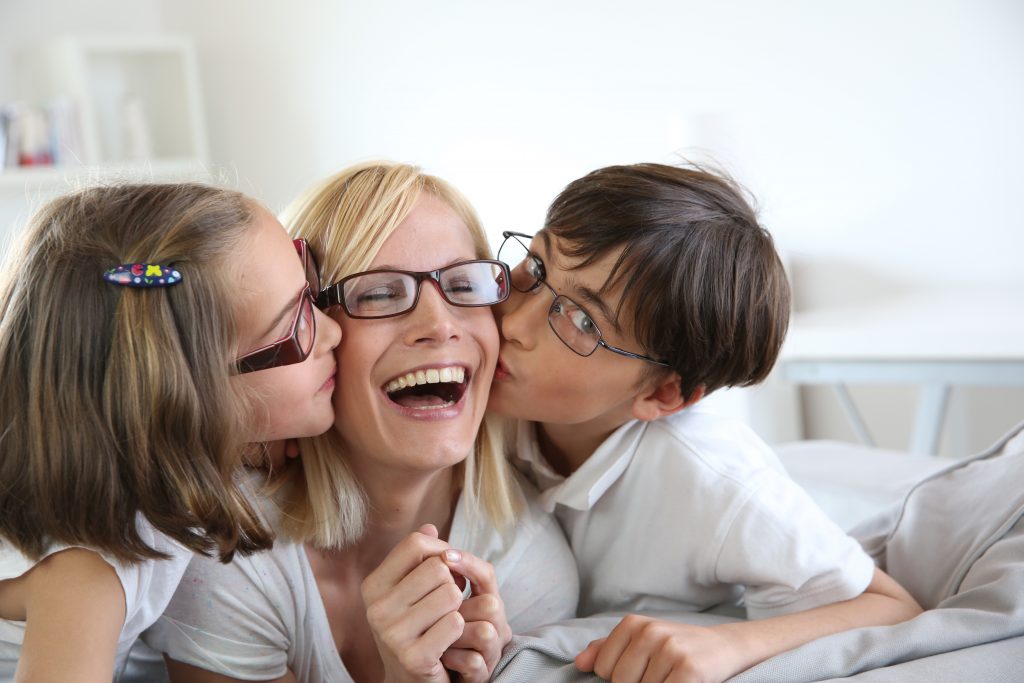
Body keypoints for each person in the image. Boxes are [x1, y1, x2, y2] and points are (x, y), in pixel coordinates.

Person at [487, 162, 923, 683]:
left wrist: (728, 645)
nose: (513, 322)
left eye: (583, 322)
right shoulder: (487, 397)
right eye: (535, 268)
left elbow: (891, 606)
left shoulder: (715, 483)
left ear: (662, 394)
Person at [144, 162, 579, 683]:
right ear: (307, 334)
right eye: (378, 293)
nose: (438, 325)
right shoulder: (227, 551)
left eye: (464, 285)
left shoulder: (528, 572)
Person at [0, 183, 342, 682]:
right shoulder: (85, 579)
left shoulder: (150, 485)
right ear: (192, 395)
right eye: (295, 325)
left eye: (311, 294)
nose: (332, 331)